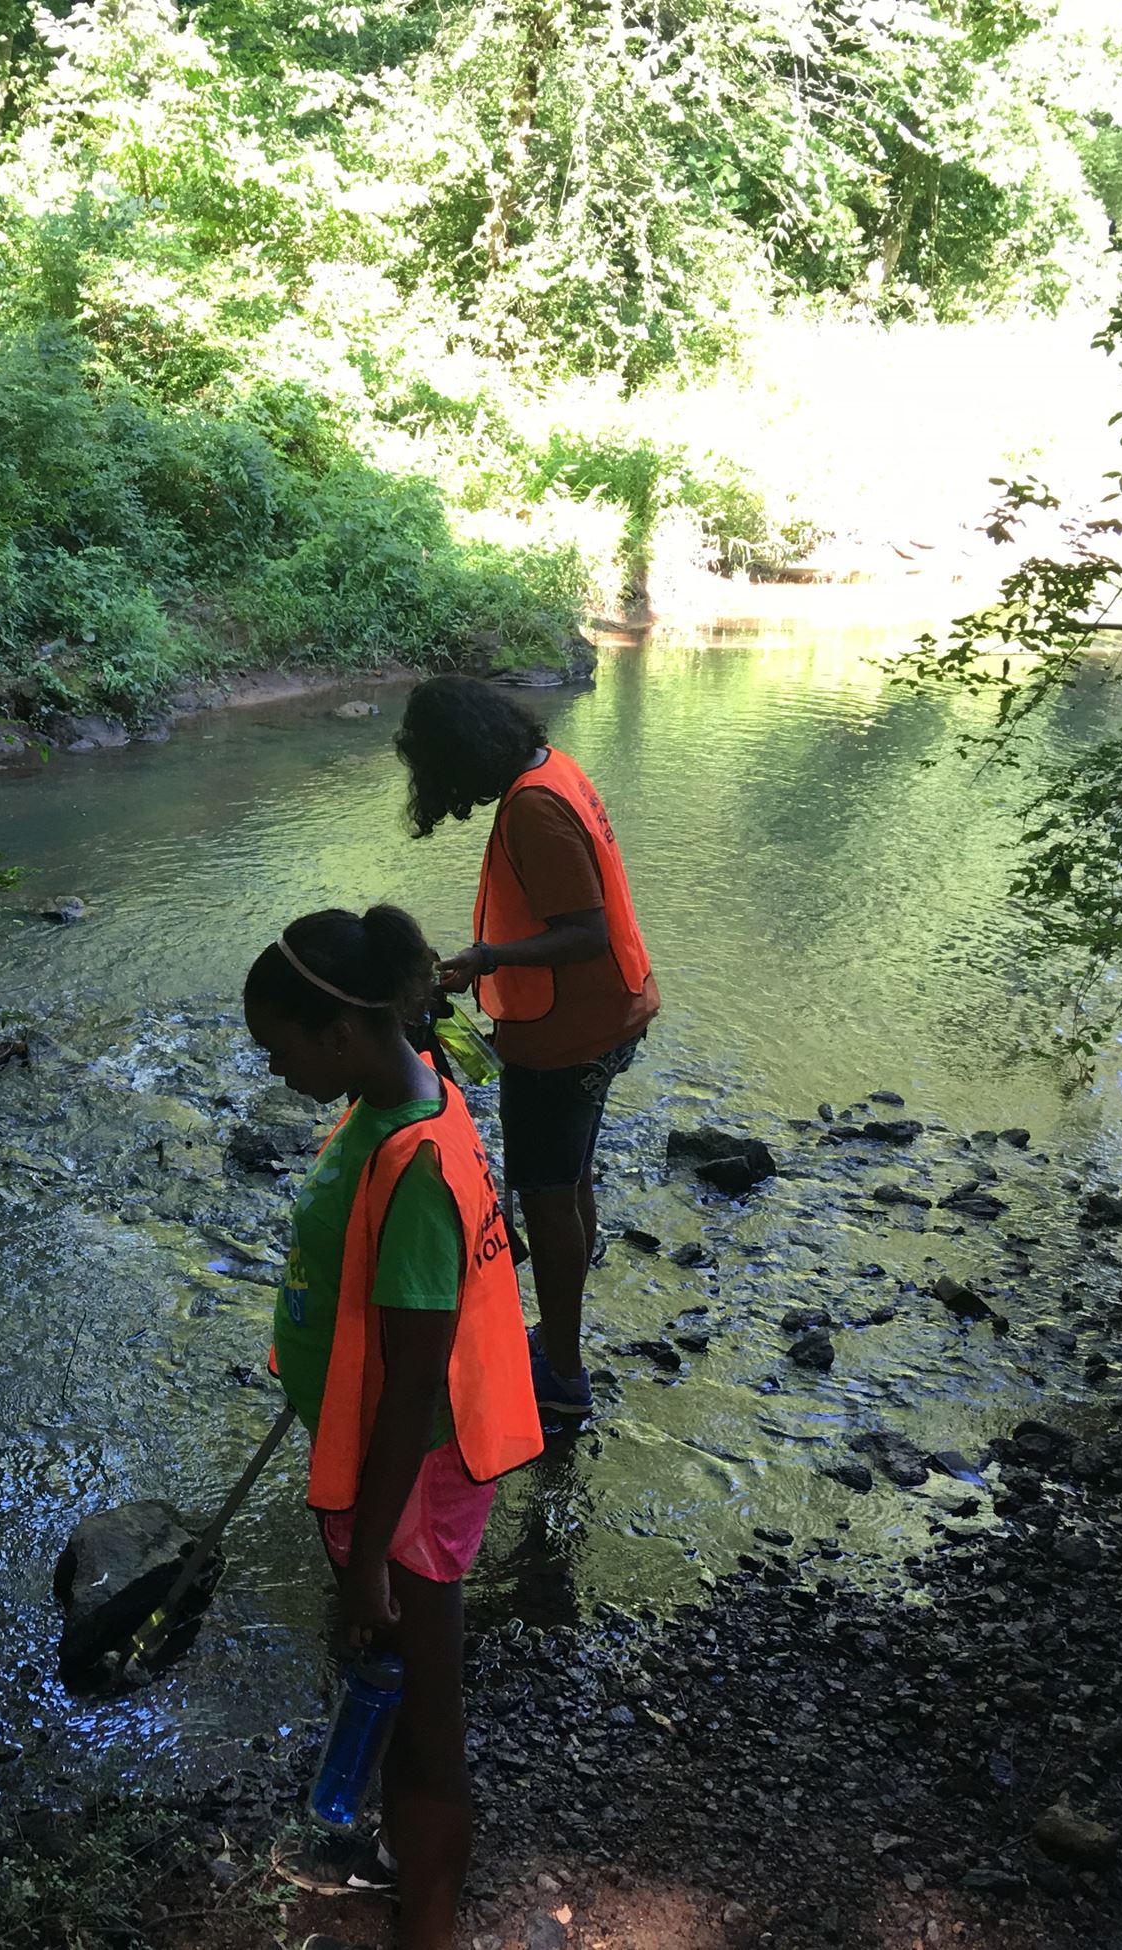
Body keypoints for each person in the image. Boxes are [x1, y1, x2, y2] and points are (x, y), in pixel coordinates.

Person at [244, 906, 543, 1950]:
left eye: (279, 1050)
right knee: (398, 1681)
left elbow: (416, 1380)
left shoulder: (416, 1163)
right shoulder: (395, 1093)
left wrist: (365, 1560)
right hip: (387, 1467)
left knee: (427, 1719)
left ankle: (429, 1923)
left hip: (413, 1478)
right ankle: (399, 1863)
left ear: (339, 1032)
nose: (272, 1071)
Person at [395, 675, 660, 1418]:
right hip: (612, 1013)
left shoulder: (533, 809)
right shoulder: (553, 768)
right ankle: (560, 1336)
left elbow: (586, 931)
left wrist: (487, 958)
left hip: (568, 1035)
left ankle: (564, 1375)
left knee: (546, 1196)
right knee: (570, 1182)